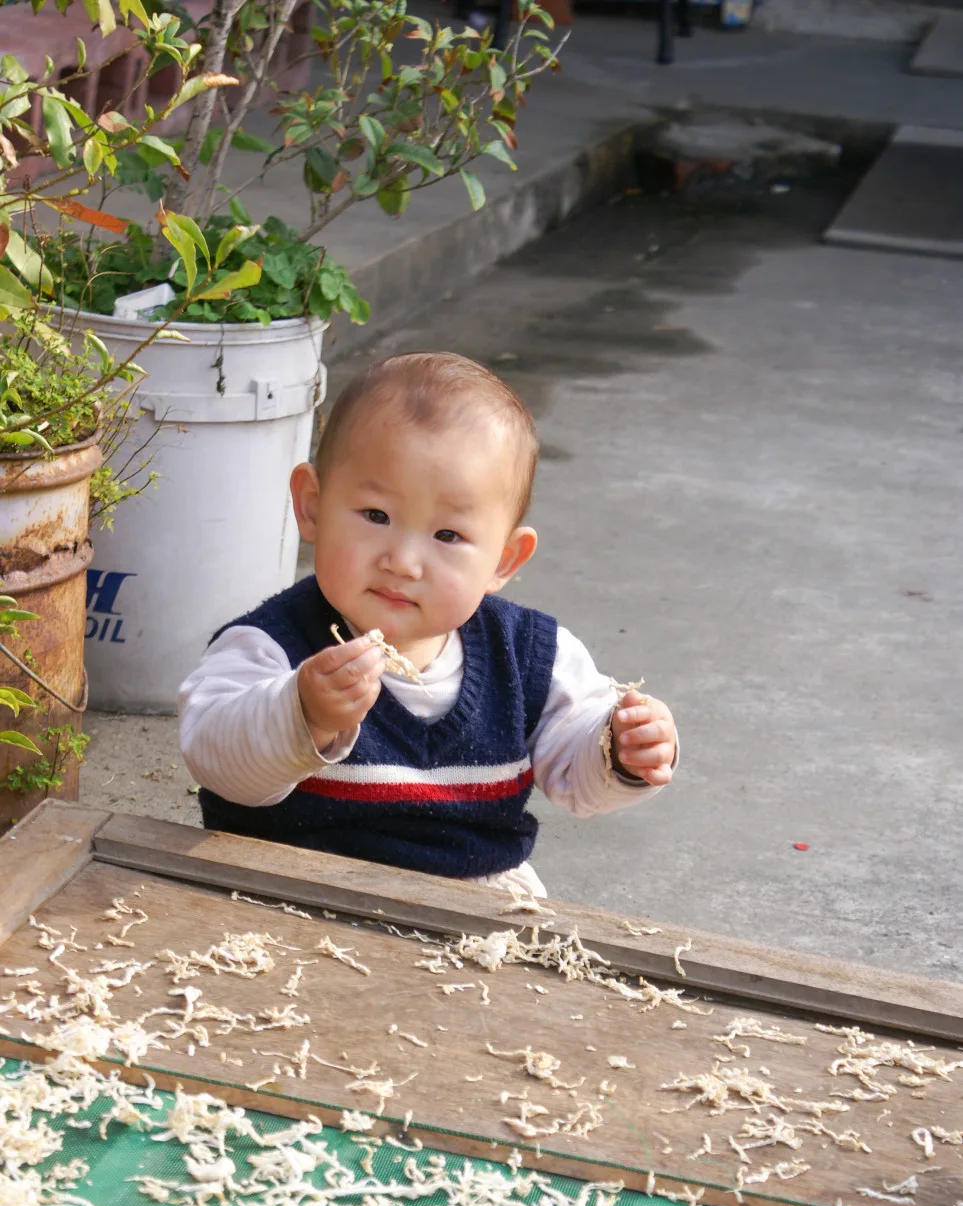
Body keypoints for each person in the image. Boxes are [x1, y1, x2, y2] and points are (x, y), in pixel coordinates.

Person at [179, 352, 678, 898]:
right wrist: (301, 715)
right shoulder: (270, 646)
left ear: (504, 560)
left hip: (472, 899)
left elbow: (577, 776)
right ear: (313, 506)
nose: (403, 562)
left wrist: (621, 752)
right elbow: (214, 758)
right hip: (290, 897)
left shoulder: (529, 656)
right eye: (376, 516)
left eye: (447, 536)